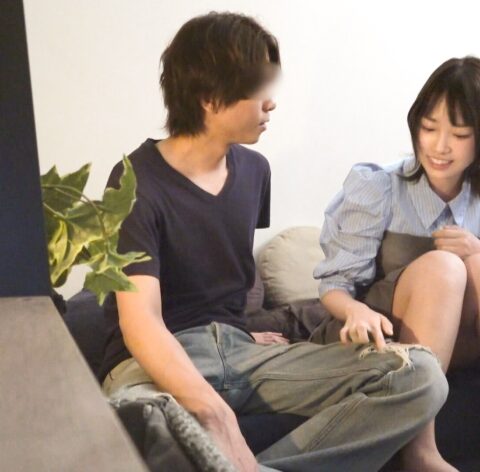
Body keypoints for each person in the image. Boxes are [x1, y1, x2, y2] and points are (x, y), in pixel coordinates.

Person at [98, 12, 448, 472]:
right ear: (209, 97)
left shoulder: (254, 172)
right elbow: (141, 320)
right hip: (153, 363)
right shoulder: (134, 181)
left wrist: (240, 334)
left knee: (420, 375)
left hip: (240, 353)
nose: (271, 103)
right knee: (149, 428)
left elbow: (223, 281)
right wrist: (216, 412)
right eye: (257, 88)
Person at [314, 56, 480, 472]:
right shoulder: (379, 186)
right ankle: (419, 451)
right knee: (446, 268)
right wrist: (355, 310)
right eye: (429, 128)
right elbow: (334, 285)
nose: (439, 146)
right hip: (378, 333)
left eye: (460, 134)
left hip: (459, 341)